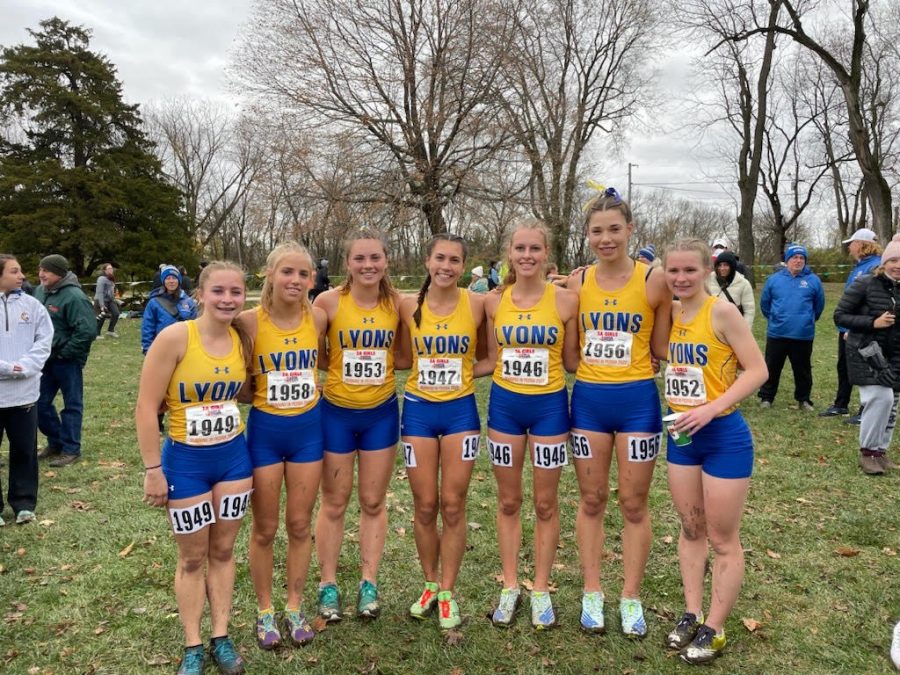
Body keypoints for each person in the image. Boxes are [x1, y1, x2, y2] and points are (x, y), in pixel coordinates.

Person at [135, 261, 252, 675]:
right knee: (191, 557)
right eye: (218, 291)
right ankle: (192, 644)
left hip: (234, 460)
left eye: (235, 292)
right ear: (199, 294)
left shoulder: (243, 339)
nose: (227, 299)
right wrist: (153, 468)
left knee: (222, 550)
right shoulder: (175, 337)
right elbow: (146, 409)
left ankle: (221, 635)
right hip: (185, 462)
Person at [564, 187, 672, 637]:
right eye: (596, 231)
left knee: (633, 503)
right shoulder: (577, 282)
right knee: (591, 500)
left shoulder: (654, 279)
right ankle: (592, 591)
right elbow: (569, 357)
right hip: (588, 401)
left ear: (630, 230)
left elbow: (663, 347)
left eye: (614, 229)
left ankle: (630, 596)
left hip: (637, 404)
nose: (605, 239)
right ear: (586, 235)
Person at [661, 239, 768, 664]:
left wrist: (712, 408)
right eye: (674, 271)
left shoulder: (721, 311)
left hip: (723, 435)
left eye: (690, 270)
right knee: (690, 528)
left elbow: (758, 369)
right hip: (681, 435)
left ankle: (716, 627)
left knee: (723, 538)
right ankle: (691, 612)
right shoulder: (669, 313)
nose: (681, 278)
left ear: (708, 269)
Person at [484, 219, 579, 629]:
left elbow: (574, 361)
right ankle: (509, 585)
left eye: (534, 249)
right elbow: (488, 359)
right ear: (509, 254)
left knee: (545, 502)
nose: (526, 256)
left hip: (551, 409)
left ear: (546, 255)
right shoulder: (492, 302)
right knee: (508, 502)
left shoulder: (565, 302)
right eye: (519, 248)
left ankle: (540, 588)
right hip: (505, 407)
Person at [396, 233, 488, 630]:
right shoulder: (406, 305)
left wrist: (464, 370)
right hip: (417, 411)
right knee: (425, 506)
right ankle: (429, 584)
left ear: (464, 266)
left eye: (454, 260)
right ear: (427, 261)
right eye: (440, 258)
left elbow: (492, 357)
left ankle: (448, 590)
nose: (446, 266)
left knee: (453, 503)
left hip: (460, 413)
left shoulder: (478, 303)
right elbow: (400, 356)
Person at [238, 243, 327, 649]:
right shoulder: (247, 322)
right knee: (265, 528)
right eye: (287, 272)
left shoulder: (320, 318)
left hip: (308, 433)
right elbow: (235, 380)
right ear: (270, 274)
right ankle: (265, 611)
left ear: (312, 279)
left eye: (303, 274)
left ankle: (294, 605)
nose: (296, 281)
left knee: (300, 525)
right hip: (265, 435)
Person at [313, 228, 403, 622]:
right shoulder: (328, 302)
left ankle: (369, 582)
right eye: (359, 259)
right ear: (347, 263)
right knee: (334, 502)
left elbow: (402, 355)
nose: (368, 265)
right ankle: (328, 584)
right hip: (336, 411)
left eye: (375, 258)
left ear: (386, 261)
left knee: (372, 501)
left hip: (381, 413)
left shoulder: (398, 304)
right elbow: (317, 354)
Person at [833, 234, 900, 475]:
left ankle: (880, 452)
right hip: (866, 353)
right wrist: (874, 322)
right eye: (893, 260)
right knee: (881, 399)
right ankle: (868, 453)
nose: (898, 265)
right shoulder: (864, 283)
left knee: (891, 404)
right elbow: (840, 316)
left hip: (893, 356)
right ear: (884, 262)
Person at [0, 255, 53, 526]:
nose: (22, 276)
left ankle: (23, 503)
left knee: (24, 450)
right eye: (14, 271)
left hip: (24, 395)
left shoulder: (32, 306)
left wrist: (27, 366)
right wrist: (6, 367)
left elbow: (44, 341)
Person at [34, 255, 96, 468]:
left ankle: (71, 449)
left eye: (47, 270)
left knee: (72, 405)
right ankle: (56, 441)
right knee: (39, 402)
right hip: (44, 359)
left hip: (67, 361)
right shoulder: (40, 291)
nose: (41, 274)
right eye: (40, 269)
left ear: (59, 273)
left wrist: (66, 352)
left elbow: (87, 330)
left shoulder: (74, 296)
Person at [820, 228, 881, 418]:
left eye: (852, 244)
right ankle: (841, 404)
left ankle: (867, 410)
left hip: (861, 329)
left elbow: (872, 302)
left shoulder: (875, 267)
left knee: (865, 369)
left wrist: (855, 327)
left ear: (862, 245)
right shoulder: (859, 267)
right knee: (844, 366)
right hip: (848, 327)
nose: (850, 248)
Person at [758, 244, 824, 410]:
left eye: (802, 258)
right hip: (777, 333)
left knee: (802, 370)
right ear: (787, 260)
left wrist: (806, 320)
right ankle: (766, 397)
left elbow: (819, 306)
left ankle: (803, 399)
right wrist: (775, 318)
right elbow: (765, 304)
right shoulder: (774, 280)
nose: (798, 261)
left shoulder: (813, 281)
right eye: (794, 257)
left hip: (803, 334)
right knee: (772, 367)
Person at [142, 266, 199, 433]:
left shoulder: (188, 302)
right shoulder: (154, 302)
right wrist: (147, 348)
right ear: (163, 281)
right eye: (167, 278)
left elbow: (196, 325)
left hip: (186, 351)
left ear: (179, 280)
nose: (171, 281)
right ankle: (157, 423)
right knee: (160, 388)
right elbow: (148, 326)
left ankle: (185, 419)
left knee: (185, 387)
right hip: (162, 352)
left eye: (174, 278)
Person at [705, 251, 755, 328]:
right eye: (719, 265)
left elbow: (749, 310)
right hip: (711, 326)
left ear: (732, 266)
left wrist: (745, 330)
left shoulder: (743, 283)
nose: (722, 268)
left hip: (733, 326)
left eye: (726, 265)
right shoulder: (708, 280)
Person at [94, 263, 119, 338]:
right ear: (105, 270)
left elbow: (111, 292)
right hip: (100, 299)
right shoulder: (101, 279)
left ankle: (110, 331)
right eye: (109, 269)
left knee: (116, 313)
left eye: (111, 268)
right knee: (102, 316)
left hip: (109, 300)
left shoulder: (111, 278)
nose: (111, 270)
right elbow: (100, 292)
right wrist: (102, 305)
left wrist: (116, 300)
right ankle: (96, 334)